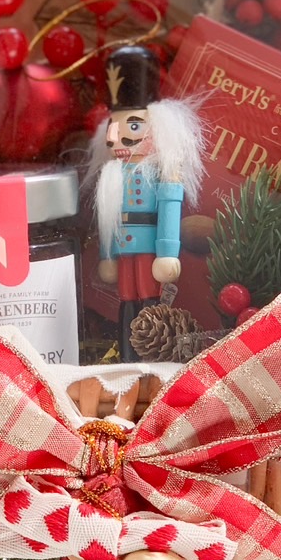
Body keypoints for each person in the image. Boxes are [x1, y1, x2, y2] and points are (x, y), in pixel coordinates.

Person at [94, 44, 204, 360]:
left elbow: (169, 210)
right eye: (116, 126)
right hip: (125, 251)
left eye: (133, 126)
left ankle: (150, 358)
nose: (118, 138)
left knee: (148, 298)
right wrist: (107, 255)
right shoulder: (113, 173)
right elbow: (108, 220)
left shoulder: (161, 174)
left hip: (149, 249)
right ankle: (127, 356)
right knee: (127, 299)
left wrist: (167, 251)